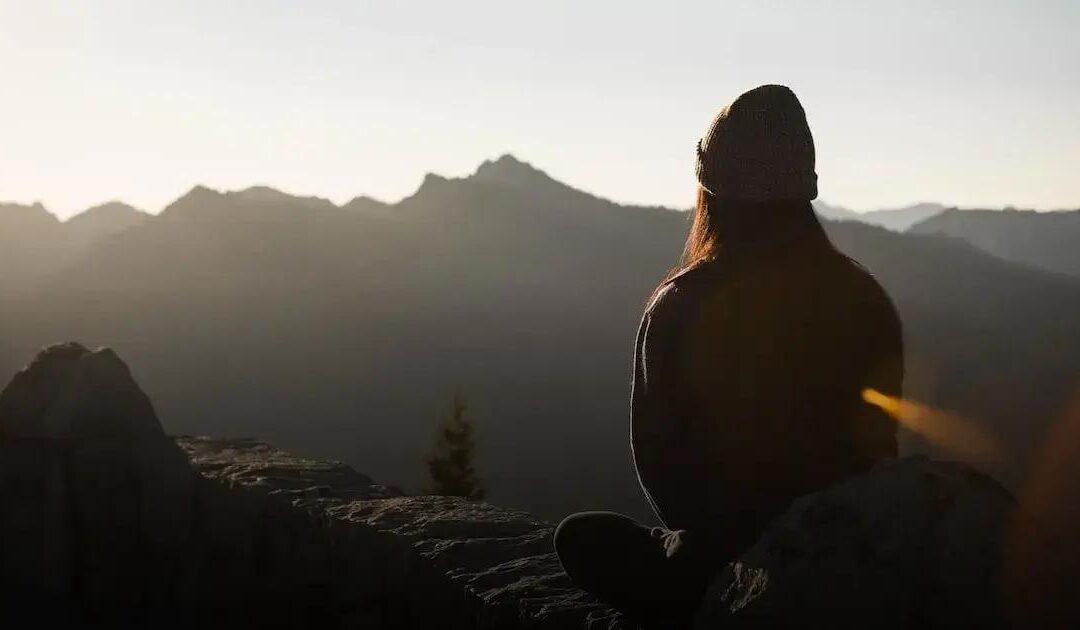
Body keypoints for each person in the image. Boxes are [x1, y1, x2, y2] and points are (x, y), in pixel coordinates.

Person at [553, 84, 904, 628]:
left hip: (729, 561)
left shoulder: (681, 306)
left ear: (711, 191)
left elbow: (666, 475)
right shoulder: (865, 299)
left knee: (581, 537)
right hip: (853, 549)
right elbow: (880, 450)